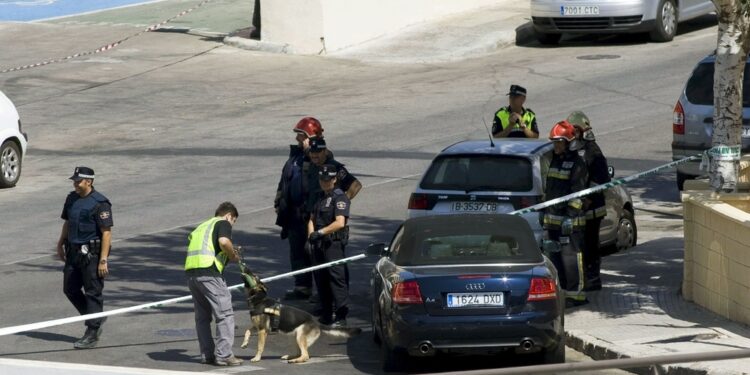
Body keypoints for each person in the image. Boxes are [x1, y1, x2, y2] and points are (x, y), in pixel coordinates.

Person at [56, 166, 113, 349]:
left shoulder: (100, 203)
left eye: (78, 181)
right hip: (73, 252)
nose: (75, 184)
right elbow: (67, 222)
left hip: (92, 255)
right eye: (74, 181)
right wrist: (60, 243)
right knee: (70, 289)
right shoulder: (71, 198)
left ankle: (92, 331)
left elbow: (106, 233)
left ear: (89, 181)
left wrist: (103, 259)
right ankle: (95, 317)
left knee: (92, 292)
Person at [185, 202, 243, 366]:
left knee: (202, 317)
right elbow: (224, 242)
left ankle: (207, 354)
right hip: (209, 273)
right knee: (224, 314)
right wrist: (233, 256)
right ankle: (224, 355)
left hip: (192, 274)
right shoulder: (222, 222)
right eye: (233, 221)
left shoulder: (202, 226)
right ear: (229, 216)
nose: (231, 225)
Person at [275, 116, 324, 301]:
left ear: (312, 138)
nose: (297, 139)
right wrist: (279, 201)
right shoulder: (294, 158)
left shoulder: (321, 158)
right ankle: (302, 287)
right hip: (294, 215)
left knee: (315, 253)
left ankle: (322, 292)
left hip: (313, 216)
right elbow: (284, 181)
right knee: (297, 252)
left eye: (301, 136)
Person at [542, 121, 588, 306]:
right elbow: (550, 191)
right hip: (553, 221)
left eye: (560, 142)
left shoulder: (577, 164)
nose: (556, 146)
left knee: (571, 259)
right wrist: (543, 212)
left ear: (569, 143)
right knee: (555, 260)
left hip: (570, 222)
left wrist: (570, 216)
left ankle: (576, 294)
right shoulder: (553, 160)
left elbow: (578, 193)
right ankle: (562, 293)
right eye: (554, 142)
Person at [567, 111, 610, 291]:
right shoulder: (579, 149)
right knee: (583, 245)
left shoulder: (593, 151)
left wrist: (587, 200)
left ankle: (592, 278)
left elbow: (601, 180)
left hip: (592, 209)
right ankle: (585, 276)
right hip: (582, 209)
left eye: (573, 130)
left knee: (590, 245)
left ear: (579, 130)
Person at [307, 165, 351, 327]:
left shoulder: (340, 198)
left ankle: (341, 316)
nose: (325, 183)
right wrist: (311, 237)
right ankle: (326, 313)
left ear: (334, 179)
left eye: (328, 180)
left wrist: (321, 233)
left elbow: (340, 223)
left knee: (336, 278)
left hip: (333, 244)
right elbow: (311, 218)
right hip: (318, 244)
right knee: (321, 278)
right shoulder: (319, 198)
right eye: (322, 180)